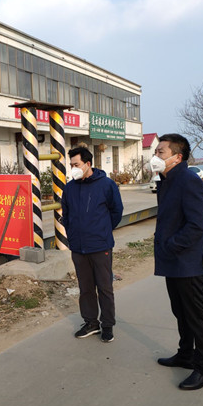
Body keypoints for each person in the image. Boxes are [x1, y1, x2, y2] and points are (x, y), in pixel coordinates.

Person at [151, 134, 203, 391]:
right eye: (155, 151)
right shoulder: (166, 181)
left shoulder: (188, 180)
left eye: (161, 152)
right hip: (172, 261)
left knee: (195, 316)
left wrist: (171, 245)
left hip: (187, 262)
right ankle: (185, 354)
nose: (155, 156)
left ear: (177, 157)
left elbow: (197, 224)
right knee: (180, 312)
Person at [61, 146, 123, 342]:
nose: (73, 169)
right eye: (71, 165)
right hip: (78, 248)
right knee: (86, 288)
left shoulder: (106, 185)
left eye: (76, 164)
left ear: (88, 164)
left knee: (105, 288)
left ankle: (107, 325)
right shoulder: (69, 188)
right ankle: (91, 323)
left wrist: (102, 231)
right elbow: (66, 215)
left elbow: (116, 212)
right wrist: (73, 236)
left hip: (100, 246)